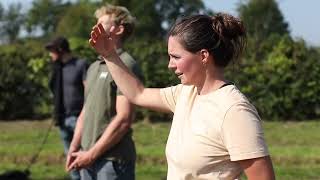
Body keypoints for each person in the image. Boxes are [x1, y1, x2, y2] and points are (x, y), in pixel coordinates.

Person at [89, 13, 276, 180]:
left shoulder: (234, 111)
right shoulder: (186, 93)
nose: (170, 65)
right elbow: (138, 94)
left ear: (203, 56)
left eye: (176, 57)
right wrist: (109, 54)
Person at [66, 4, 142, 180]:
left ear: (119, 29)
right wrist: (74, 147)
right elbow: (86, 110)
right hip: (86, 158)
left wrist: (91, 154)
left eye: (101, 23)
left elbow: (124, 119)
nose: (95, 28)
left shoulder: (126, 64)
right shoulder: (94, 67)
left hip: (112, 162)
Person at [45, 36, 88, 180]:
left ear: (60, 50)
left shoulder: (81, 65)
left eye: (52, 50)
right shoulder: (57, 68)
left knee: (83, 157)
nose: (50, 54)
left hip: (79, 119)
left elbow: (89, 91)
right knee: (69, 158)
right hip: (62, 118)